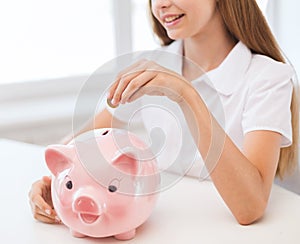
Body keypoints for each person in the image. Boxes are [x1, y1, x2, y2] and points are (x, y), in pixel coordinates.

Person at [29, 0, 299, 225]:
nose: (161, 4)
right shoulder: (151, 66)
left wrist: (187, 96)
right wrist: (51, 182)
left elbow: (249, 208)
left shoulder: (268, 77)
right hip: (165, 222)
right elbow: (81, 144)